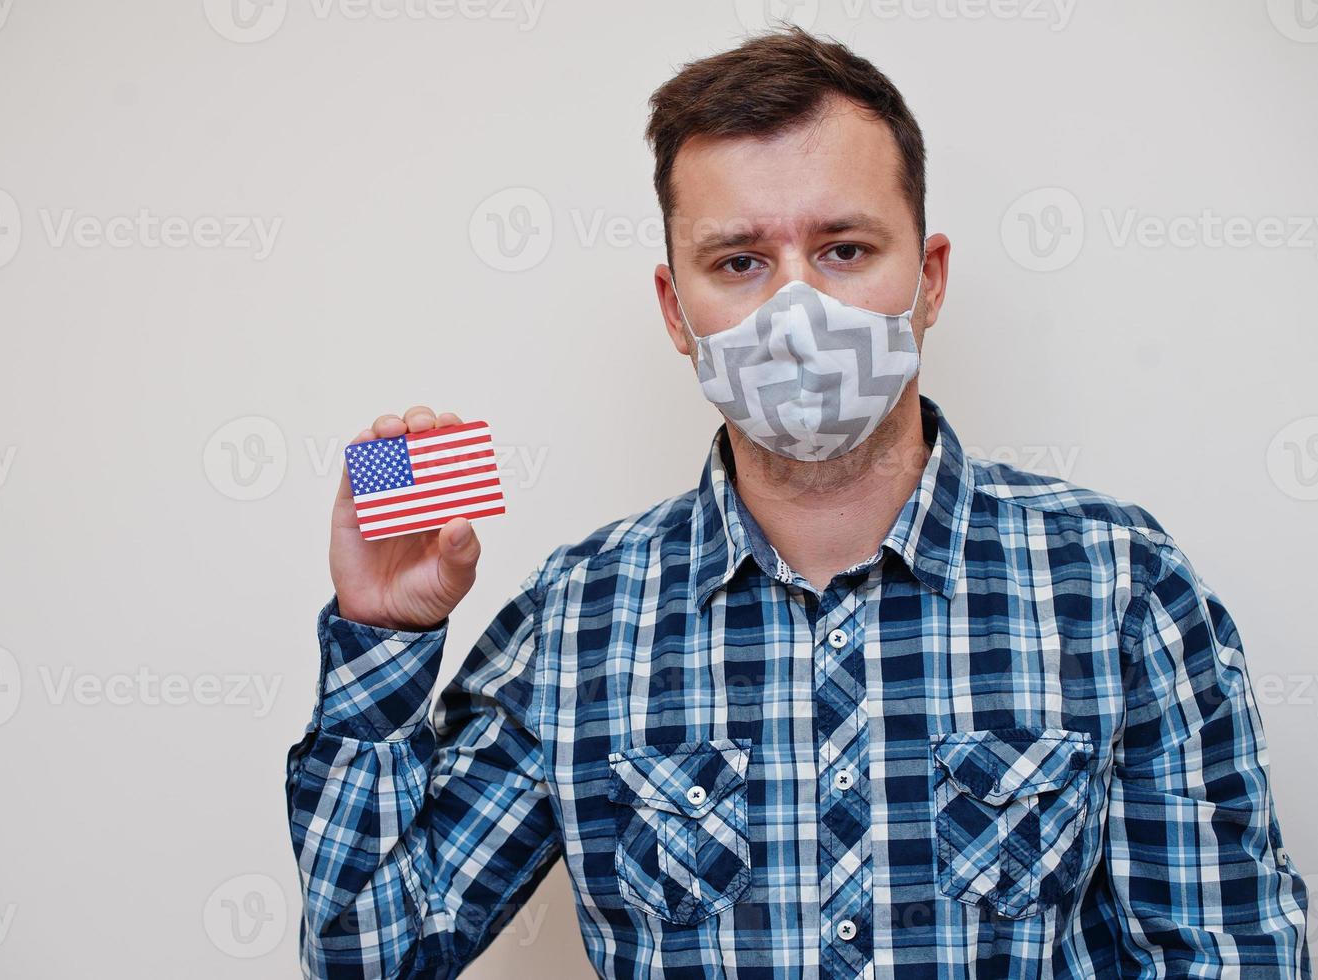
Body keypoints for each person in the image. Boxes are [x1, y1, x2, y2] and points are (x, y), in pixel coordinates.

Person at [286, 26, 1309, 978]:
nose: (794, 311)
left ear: (931, 277)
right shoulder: (575, 616)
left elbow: (1230, 953)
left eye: (844, 250)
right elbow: (369, 953)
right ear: (676, 310)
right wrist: (382, 638)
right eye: (739, 262)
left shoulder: (1117, 581)